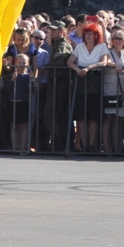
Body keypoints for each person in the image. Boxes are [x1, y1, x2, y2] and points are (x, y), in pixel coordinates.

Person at [66, 22, 109, 152]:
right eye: (86, 34)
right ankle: (84, 144)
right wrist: (78, 69)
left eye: (90, 34)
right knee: (82, 116)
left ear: (96, 35)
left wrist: (89, 68)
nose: (88, 36)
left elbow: (104, 61)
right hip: (81, 81)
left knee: (93, 116)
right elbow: (69, 61)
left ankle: (92, 144)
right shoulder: (79, 47)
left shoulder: (101, 46)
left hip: (95, 82)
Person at [41, 21, 73, 152]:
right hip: (57, 81)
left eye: (54, 30)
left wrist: (48, 65)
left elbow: (60, 59)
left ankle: (59, 142)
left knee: (50, 113)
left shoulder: (62, 44)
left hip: (60, 82)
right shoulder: (57, 44)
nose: (51, 32)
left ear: (61, 31)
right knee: (57, 114)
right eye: (50, 30)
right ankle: (59, 142)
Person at [102, 29, 124, 153]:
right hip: (109, 86)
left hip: (122, 86)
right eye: (115, 38)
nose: (117, 41)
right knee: (109, 117)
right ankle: (107, 146)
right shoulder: (108, 51)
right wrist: (115, 65)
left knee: (119, 118)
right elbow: (105, 62)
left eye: (120, 39)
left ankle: (117, 146)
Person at [8, 53, 31, 151]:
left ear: (28, 64)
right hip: (12, 102)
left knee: (23, 126)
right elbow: (7, 89)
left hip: (23, 102)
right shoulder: (11, 75)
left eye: (24, 62)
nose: (21, 65)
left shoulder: (28, 76)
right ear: (15, 63)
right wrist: (12, 80)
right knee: (13, 125)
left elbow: (31, 89)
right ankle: (14, 147)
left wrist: (32, 78)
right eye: (19, 62)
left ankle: (22, 147)